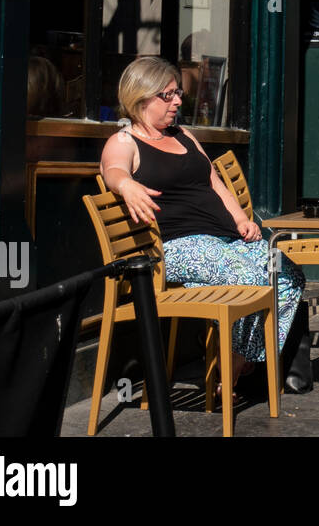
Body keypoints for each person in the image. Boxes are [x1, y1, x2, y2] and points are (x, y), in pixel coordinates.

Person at [100, 57, 305, 384]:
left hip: (224, 237)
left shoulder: (183, 135)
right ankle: (234, 363)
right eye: (168, 95)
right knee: (248, 274)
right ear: (141, 97)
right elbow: (112, 169)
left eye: (177, 92)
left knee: (287, 274)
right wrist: (126, 185)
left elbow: (213, 181)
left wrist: (241, 218)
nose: (178, 101)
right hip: (176, 245)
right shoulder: (125, 141)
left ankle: (237, 357)